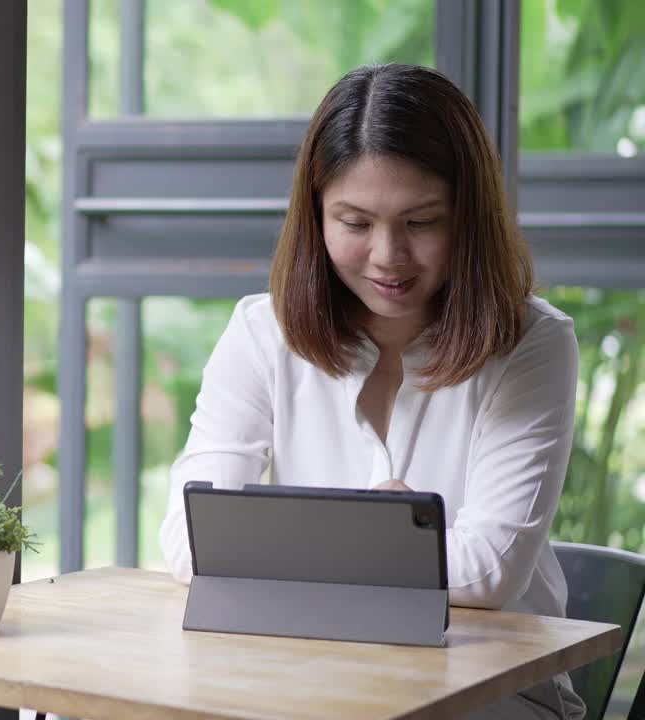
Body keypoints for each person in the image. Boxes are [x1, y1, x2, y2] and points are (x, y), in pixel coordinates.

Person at [157, 64, 584, 720]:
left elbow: (492, 571)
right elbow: (191, 540)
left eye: (422, 221)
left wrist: (284, 541)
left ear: (467, 216)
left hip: (495, 691)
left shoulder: (531, 344)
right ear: (316, 216)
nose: (389, 255)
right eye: (354, 222)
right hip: (317, 675)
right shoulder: (261, 332)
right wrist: (380, 535)